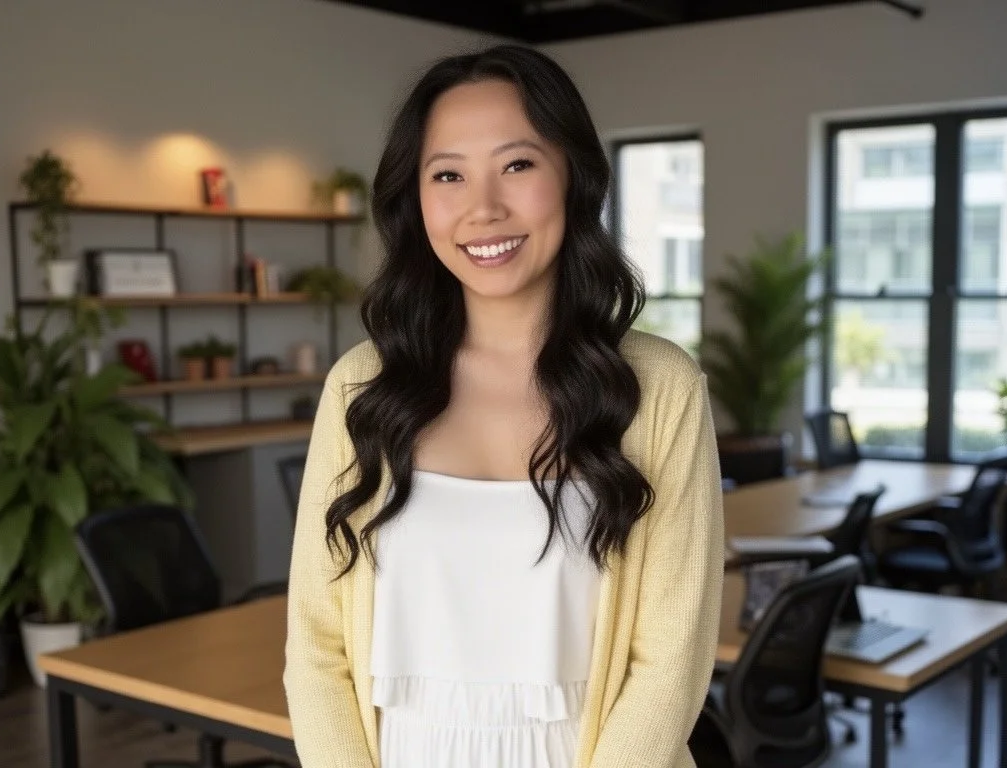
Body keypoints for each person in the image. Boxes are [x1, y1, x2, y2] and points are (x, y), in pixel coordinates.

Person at [284, 44, 724, 768]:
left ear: (574, 176)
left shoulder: (658, 387)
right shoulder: (362, 386)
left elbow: (670, 660)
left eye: (517, 165)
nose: (483, 208)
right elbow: (317, 644)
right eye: (448, 175)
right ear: (415, 198)